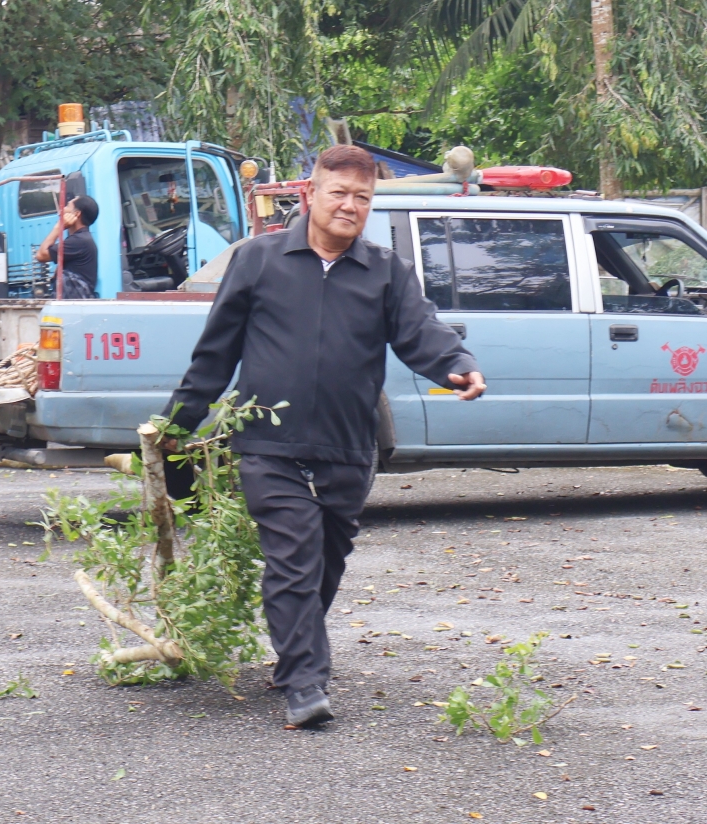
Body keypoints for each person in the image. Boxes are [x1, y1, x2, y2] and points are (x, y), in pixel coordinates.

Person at [162, 145, 486, 727]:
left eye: (362, 197)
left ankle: (293, 657)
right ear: (311, 194)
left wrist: (456, 364)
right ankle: (306, 684)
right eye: (338, 193)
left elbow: (420, 331)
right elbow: (216, 353)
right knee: (294, 558)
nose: (349, 206)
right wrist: (176, 424)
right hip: (268, 443)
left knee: (326, 563)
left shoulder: (386, 271)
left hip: (349, 446)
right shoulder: (258, 260)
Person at [36, 195, 99, 298]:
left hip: (73, 305)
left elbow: (41, 255)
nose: (62, 210)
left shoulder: (79, 241)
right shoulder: (81, 239)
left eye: (68, 206)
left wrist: (58, 227)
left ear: (76, 214)